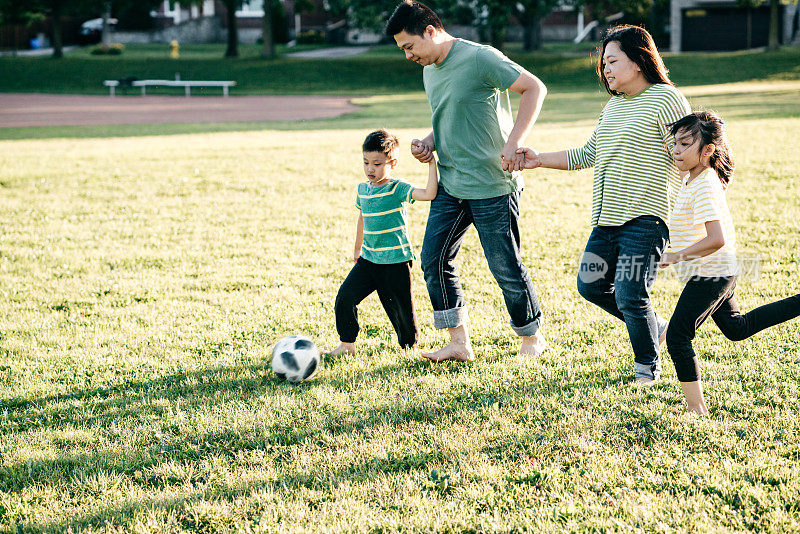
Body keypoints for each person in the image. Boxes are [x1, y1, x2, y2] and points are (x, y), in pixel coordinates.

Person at [514, 25, 691, 383]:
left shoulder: (667, 99)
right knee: (591, 284)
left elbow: (688, 150)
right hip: (607, 219)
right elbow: (588, 153)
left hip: (647, 218)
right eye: (603, 63)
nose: (605, 69)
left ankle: (647, 369)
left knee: (629, 292)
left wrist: (702, 194)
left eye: (612, 60)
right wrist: (538, 159)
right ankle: (657, 326)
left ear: (639, 61)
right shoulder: (613, 107)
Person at [385, 0, 548, 362]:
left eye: (409, 46)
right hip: (451, 184)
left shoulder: (480, 58)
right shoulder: (429, 69)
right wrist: (429, 141)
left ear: (430, 31)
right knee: (433, 259)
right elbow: (451, 114)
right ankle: (458, 342)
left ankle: (531, 338)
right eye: (402, 50)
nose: (408, 56)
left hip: (493, 184)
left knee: (504, 265)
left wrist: (513, 142)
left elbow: (535, 88)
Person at [657, 111, 800, 414]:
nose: (676, 150)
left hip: (712, 272)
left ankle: (697, 411)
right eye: (675, 144)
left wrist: (674, 256)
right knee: (737, 328)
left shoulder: (705, 184)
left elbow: (716, 239)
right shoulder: (691, 178)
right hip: (713, 271)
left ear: (707, 150)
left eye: (684, 144)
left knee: (680, 336)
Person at [329, 129, 439, 357]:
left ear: (392, 163)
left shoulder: (397, 188)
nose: (370, 169)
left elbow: (429, 194)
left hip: (396, 261)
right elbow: (362, 218)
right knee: (345, 297)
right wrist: (357, 248)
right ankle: (347, 344)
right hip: (369, 259)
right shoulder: (362, 190)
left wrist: (431, 165)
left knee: (401, 312)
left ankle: (409, 347)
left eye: (377, 164)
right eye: (366, 162)